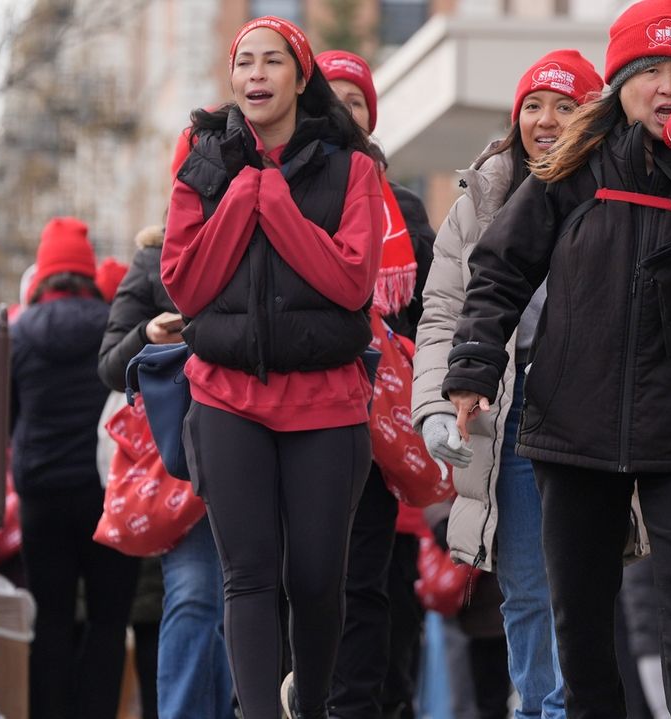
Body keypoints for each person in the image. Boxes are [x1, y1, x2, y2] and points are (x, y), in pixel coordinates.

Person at [440, 1, 671, 715]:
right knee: (581, 615)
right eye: (652, 71)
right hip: (576, 421)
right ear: (620, 83)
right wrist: (473, 367)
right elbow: (501, 268)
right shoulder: (574, 168)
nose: (668, 86)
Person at [161, 16, 384, 719]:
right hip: (227, 397)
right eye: (244, 62)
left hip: (326, 403)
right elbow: (186, 284)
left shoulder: (352, 166)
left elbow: (350, 283)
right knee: (247, 576)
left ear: (299, 76)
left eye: (272, 62)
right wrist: (240, 197)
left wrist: (276, 203)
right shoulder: (203, 159)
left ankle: (308, 704)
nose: (256, 75)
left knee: (318, 578)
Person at [413, 47, 603, 719]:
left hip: (595, 415)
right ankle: (543, 710)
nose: (546, 119)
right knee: (524, 585)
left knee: (585, 586)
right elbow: (442, 313)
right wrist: (435, 405)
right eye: (533, 105)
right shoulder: (481, 196)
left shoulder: (616, 188)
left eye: (565, 106)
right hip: (512, 414)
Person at [313, 48, 438, 719]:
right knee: (291, 582)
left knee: (365, 582)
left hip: (369, 420)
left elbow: (427, 315)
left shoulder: (405, 207)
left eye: (354, 99)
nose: (341, 109)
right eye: (329, 96)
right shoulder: (280, 185)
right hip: (291, 415)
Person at [99, 222, 236, 719]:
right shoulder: (153, 258)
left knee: (240, 607)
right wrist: (148, 335)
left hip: (262, 438)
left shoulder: (271, 224)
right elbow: (112, 363)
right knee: (197, 598)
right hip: (185, 454)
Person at [10, 217, 142, 719]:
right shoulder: (113, 329)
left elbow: (7, 421)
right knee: (110, 621)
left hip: (42, 496)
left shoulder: (20, 334)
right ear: (87, 273)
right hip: (106, 495)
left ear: (45, 273)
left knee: (52, 619)